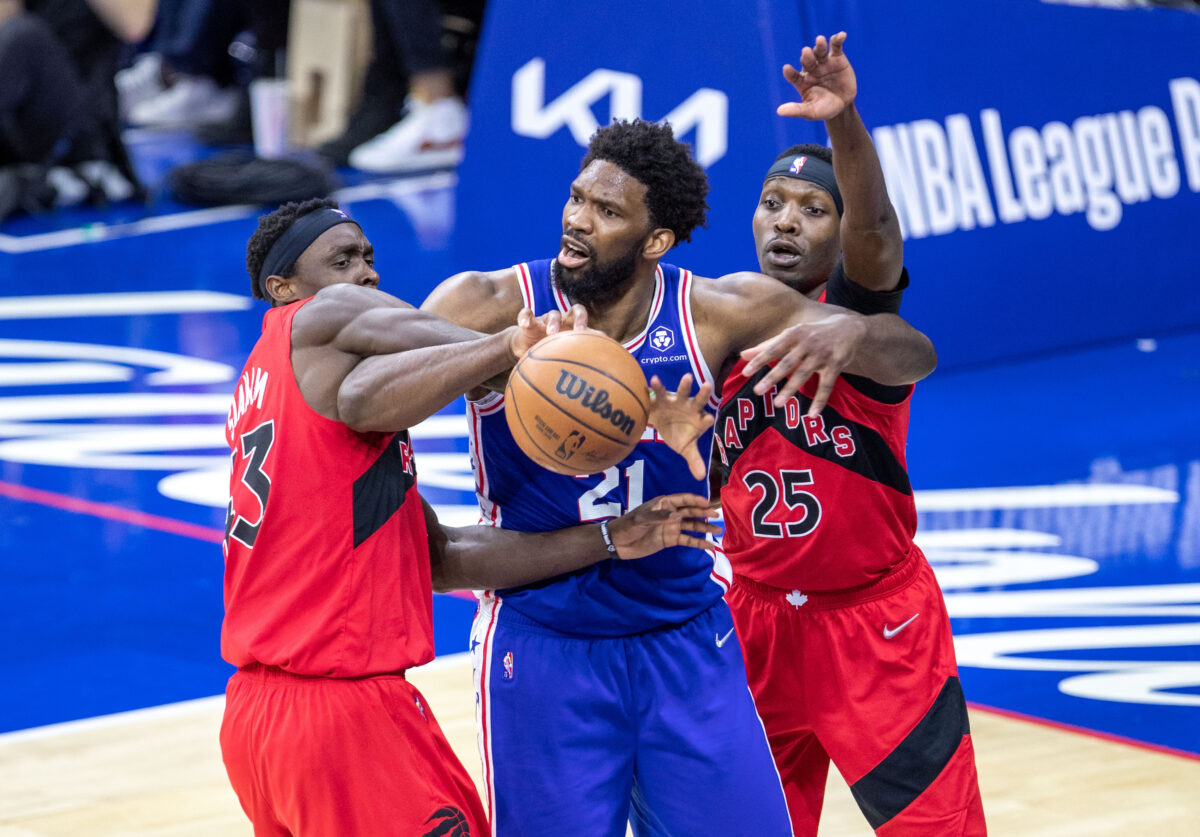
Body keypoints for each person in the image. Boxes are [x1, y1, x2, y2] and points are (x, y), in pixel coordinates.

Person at [420, 117, 938, 836]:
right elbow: (372, 398)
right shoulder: (486, 305)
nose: (576, 221)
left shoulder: (718, 314)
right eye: (576, 199)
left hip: (686, 638)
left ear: (656, 239)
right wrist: (495, 358)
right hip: (544, 648)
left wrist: (850, 330)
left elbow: (910, 354)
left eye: (606, 211)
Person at [220, 197, 719, 836]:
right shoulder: (321, 312)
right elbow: (501, 360)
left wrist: (610, 539)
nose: (366, 275)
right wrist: (551, 358)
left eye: (369, 258)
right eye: (341, 260)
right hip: (344, 718)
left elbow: (444, 558)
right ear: (283, 288)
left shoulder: (272, 395)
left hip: (259, 724)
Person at [714, 33, 987, 835]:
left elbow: (892, 281)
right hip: (755, 620)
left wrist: (846, 124)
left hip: (878, 629)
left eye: (812, 210)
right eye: (773, 203)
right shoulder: (709, 326)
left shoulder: (861, 323)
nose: (786, 222)